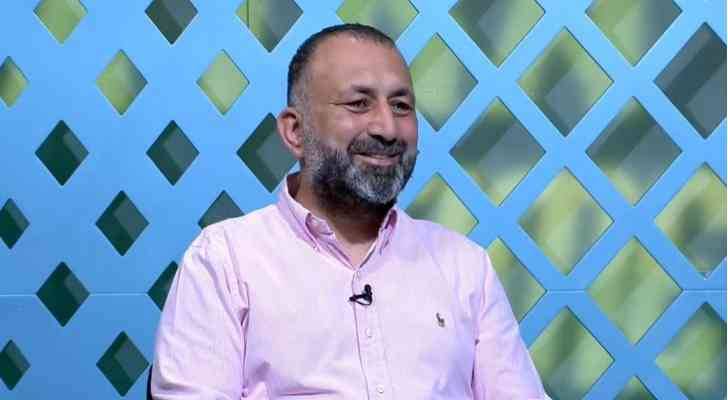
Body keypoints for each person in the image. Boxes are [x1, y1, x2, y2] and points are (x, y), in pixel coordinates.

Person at [151, 23, 548, 399]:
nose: (387, 129)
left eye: (401, 106)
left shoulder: (465, 266)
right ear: (295, 132)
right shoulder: (225, 261)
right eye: (359, 104)